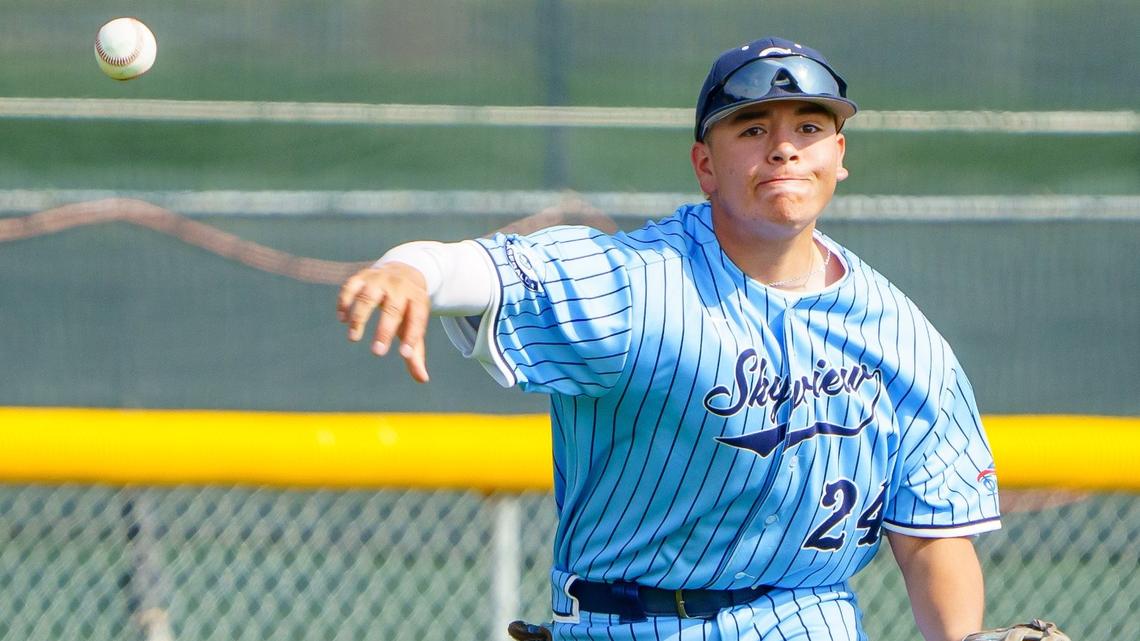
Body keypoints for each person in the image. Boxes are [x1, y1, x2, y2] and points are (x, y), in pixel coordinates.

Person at [337, 36, 1001, 641]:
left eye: (809, 126)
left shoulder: (901, 335)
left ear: (838, 156)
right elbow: (491, 267)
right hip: (625, 621)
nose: (783, 146)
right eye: (752, 127)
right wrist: (413, 269)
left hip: (807, 618)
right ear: (705, 165)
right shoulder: (639, 285)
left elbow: (929, 540)